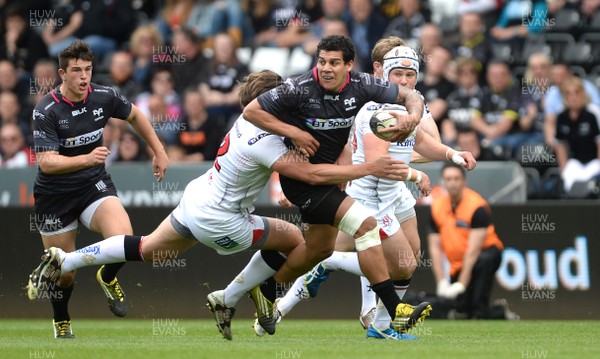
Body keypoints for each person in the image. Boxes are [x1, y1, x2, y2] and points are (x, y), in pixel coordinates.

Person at [26, 69, 410, 341]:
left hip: (198, 197)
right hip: (222, 220)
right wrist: (368, 165)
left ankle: (67, 259)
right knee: (295, 239)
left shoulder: (248, 122)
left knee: (145, 248)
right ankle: (239, 296)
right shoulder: (268, 138)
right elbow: (308, 177)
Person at [263, 44, 476, 340]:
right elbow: (382, 165)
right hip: (371, 197)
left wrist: (454, 154)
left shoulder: (406, 107)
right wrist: (416, 174)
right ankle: (376, 317)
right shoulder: (378, 112)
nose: (403, 81)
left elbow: (422, 143)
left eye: (409, 74)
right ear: (384, 74)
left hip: (392, 194)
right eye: (397, 74)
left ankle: (376, 322)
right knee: (402, 264)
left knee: (406, 258)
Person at [242, 35, 431, 336]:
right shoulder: (299, 87)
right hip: (306, 180)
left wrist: (413, 117)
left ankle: (268, 288)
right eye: (321, 61)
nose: (326, 69)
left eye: (333, 63)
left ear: (349, 66)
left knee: (318, 250)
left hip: (331, 178)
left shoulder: (364, 86)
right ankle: (395, 310)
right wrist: (295, 133)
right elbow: (251, 111)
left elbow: (414, 98)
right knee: (366, 227)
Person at [29, 40, 169, 339]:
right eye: (77, 71)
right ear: (62, 74)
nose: (84, 77)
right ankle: (62, 320)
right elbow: (46, 162)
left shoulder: (104, 96)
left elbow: (134, 115)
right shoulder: (46, 110)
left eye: (88, 70)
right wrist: (86, 158)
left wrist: (158, 150)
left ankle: (107, 277)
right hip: (55, 196)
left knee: (122, 240)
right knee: (64, 273)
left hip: (93, 185)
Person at [428, 163, 516, 320]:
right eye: (448, 179)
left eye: (456, 178)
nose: (452, 183)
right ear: (443, 181)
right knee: (461, 309)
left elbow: (473, 250)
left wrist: (461, 284)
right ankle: (499, 313)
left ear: (464, 181)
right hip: (459, 264)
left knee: (477, 307)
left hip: (485, 254)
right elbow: (435, 247)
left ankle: (481, 311)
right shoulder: (437, 206)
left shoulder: (477, 206)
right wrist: (441, 281)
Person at [554, 77, 600, 192]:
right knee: (569, 183)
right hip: (574, 163)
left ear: (583, 94)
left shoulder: (593, 113)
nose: (573, 97)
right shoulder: (561, 116)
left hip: (594, 162)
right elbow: (560, 145)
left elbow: (599, 142)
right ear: (565, 97)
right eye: (569, 93)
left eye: (577, 92)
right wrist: (564, 168)